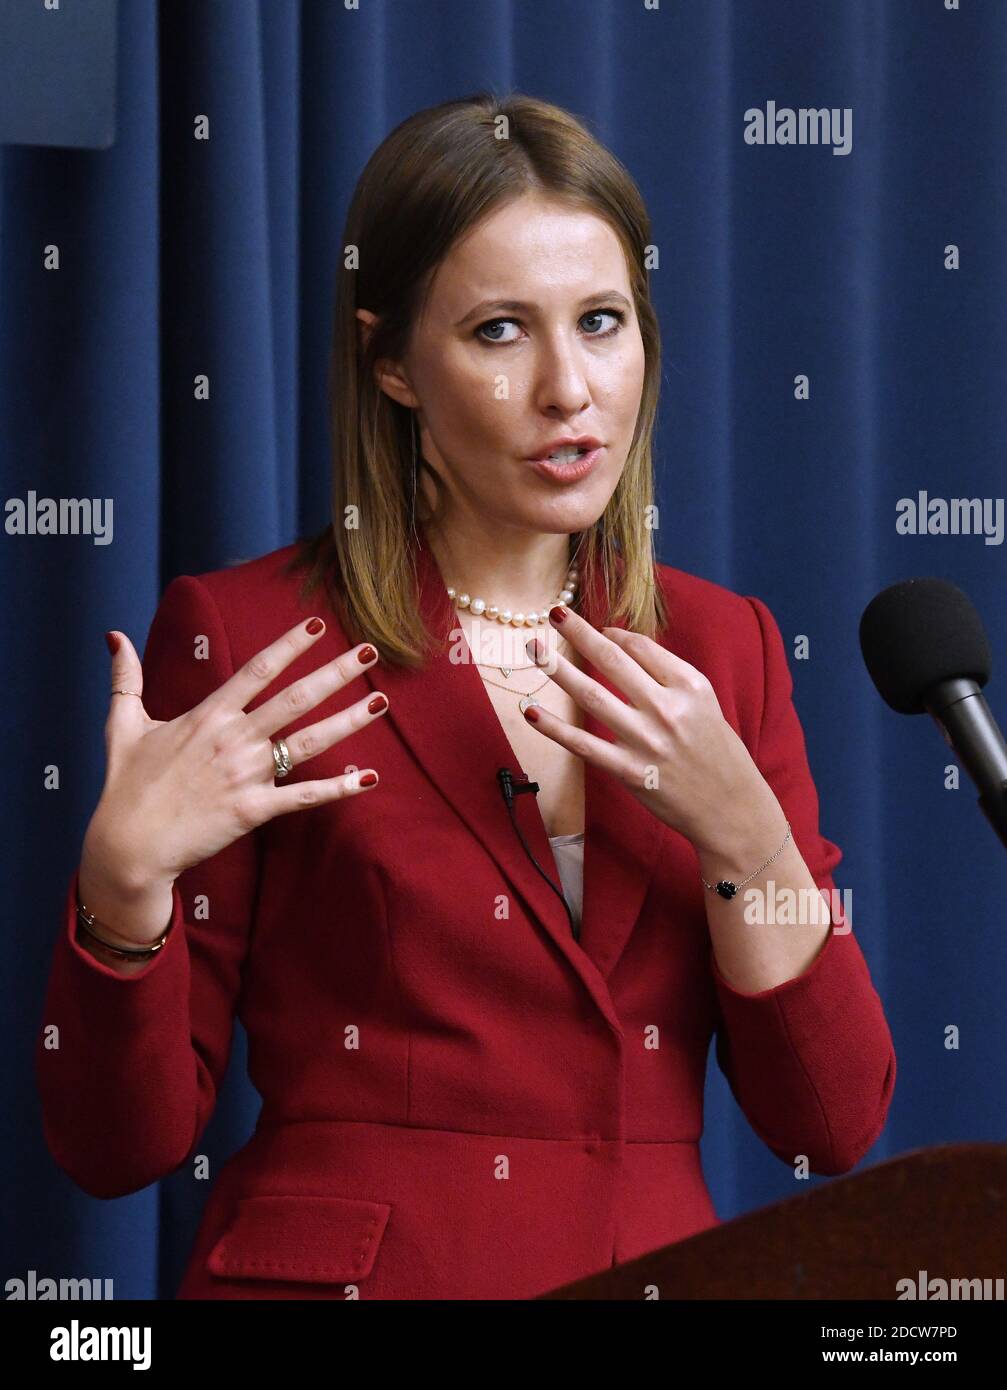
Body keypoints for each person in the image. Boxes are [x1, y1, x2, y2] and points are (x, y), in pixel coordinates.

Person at [35, 92, 896, 1301]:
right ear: (389, 362)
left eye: (600, 322)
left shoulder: (724, 648)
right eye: (499, 332)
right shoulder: (246, 637)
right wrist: (122, 884)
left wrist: (746, 834)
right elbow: (113, 1148)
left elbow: (830, 1124)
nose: (568, 387)